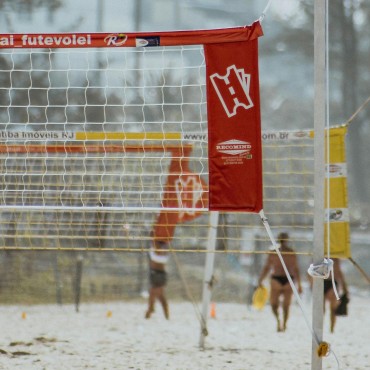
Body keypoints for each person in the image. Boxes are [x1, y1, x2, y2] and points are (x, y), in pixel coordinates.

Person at [257, 232, 303, 332]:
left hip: (277, 278)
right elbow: (296, 269)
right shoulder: (290, 252)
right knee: (285, 305)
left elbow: (267, 267)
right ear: (287, 240)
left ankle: (279, 321)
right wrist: (299, 284)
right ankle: (283, 324)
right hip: (288, 279)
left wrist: (261, 280)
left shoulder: (274, 251)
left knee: (275, 304)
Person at [145, 238, 170, 320]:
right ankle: (153, 310)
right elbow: (153, 235)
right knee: (158, 295)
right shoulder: (154, 246)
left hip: (160, 274)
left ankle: (150, 310)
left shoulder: (164, 248)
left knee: (155, 293)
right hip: (154, 273)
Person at [323, 258, 348, 333]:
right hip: (325, 281)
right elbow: (339, 272)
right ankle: (330, 329)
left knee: (332, 308)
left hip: (330, 281)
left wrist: (344, 287)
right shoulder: (324, 255)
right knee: (323, 309)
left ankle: (331, 329)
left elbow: (338, 272)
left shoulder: (335, 258)